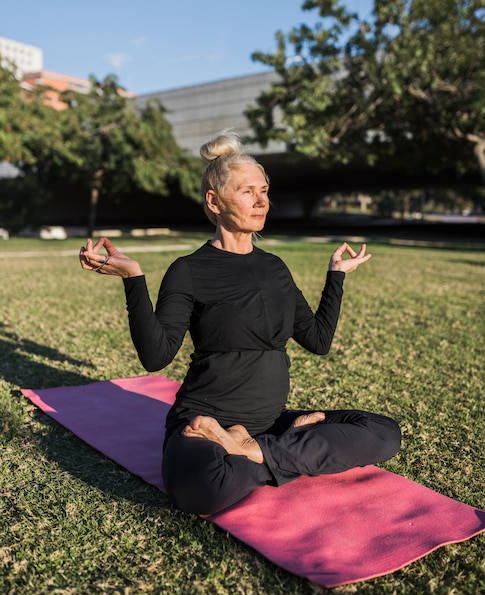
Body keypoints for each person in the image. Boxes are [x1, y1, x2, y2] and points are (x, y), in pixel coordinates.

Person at [79, 130, 401, 515]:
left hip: (269, 424)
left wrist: (336, 275)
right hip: (204, 428)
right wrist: (134, 280)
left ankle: (256, 450)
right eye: (248, 191)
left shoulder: (275, 268)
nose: (262, 201)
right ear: (214, 202)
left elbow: (318, 340)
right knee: (201, 489)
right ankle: (276, 453)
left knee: (384, 432)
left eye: (264, 191)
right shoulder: (189, 270)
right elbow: (156, 357)